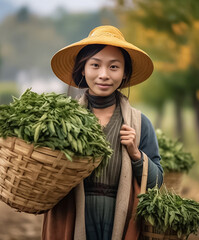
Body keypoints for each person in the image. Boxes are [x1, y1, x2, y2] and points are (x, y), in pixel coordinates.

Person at [42, 25, 163, 240]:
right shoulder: (63, 120)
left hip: (122, 221)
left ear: (125, 73)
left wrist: (136, 154)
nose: (104, 75)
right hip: (74, 219)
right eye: (95, 65)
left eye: (114, 67)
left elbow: (156, 182)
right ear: (83, 69)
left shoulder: (140, 123)